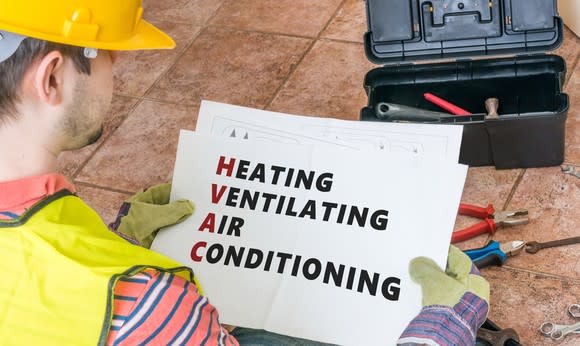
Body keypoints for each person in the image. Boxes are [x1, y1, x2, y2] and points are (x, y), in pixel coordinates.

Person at [0, 1, 489, 345]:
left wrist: (118, 241)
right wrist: (441, 328)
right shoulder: (156, 305)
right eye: (108, 53)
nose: (116, 71)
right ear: (52, 78)